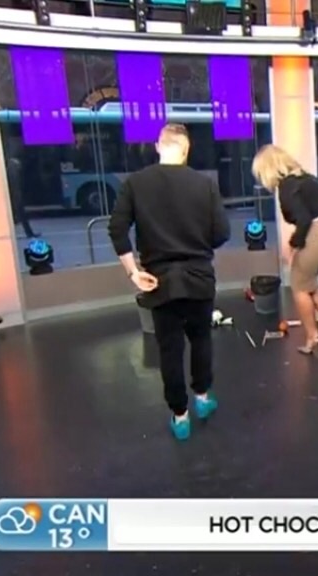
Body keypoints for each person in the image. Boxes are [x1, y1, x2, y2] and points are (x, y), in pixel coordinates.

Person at [108, 123, 231, 441]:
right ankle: (202, 398)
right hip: (199, 278)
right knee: (201, 340)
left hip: (158, 281)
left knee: (170, 349)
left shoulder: (135, 183)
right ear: (187, 150)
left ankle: (180, 416)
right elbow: (222, 233)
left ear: (157, 146)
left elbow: (117, 229)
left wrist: (133, 272)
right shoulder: (205, 185)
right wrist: (196, 245)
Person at [252, 144, 318, 355]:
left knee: (298, 284)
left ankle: (313, 336)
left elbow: (303, 220)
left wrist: (292, 246)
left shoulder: (287, 186)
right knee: (308, 278)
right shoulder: (305, 177)